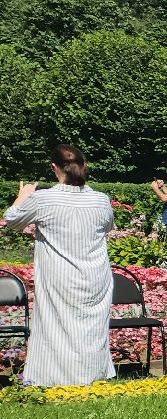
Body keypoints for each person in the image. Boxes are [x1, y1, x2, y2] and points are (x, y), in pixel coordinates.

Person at [3, 145, 115, 387]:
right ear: (84, 167)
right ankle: (92, 377)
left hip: (59, 274)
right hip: (96, 274)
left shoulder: (43, 199)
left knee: (55, 327)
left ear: (54, 168)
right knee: (91, 329)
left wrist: (22, 196)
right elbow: (107, 228)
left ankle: (55, 380)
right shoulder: (101, 199)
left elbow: (11, 220)